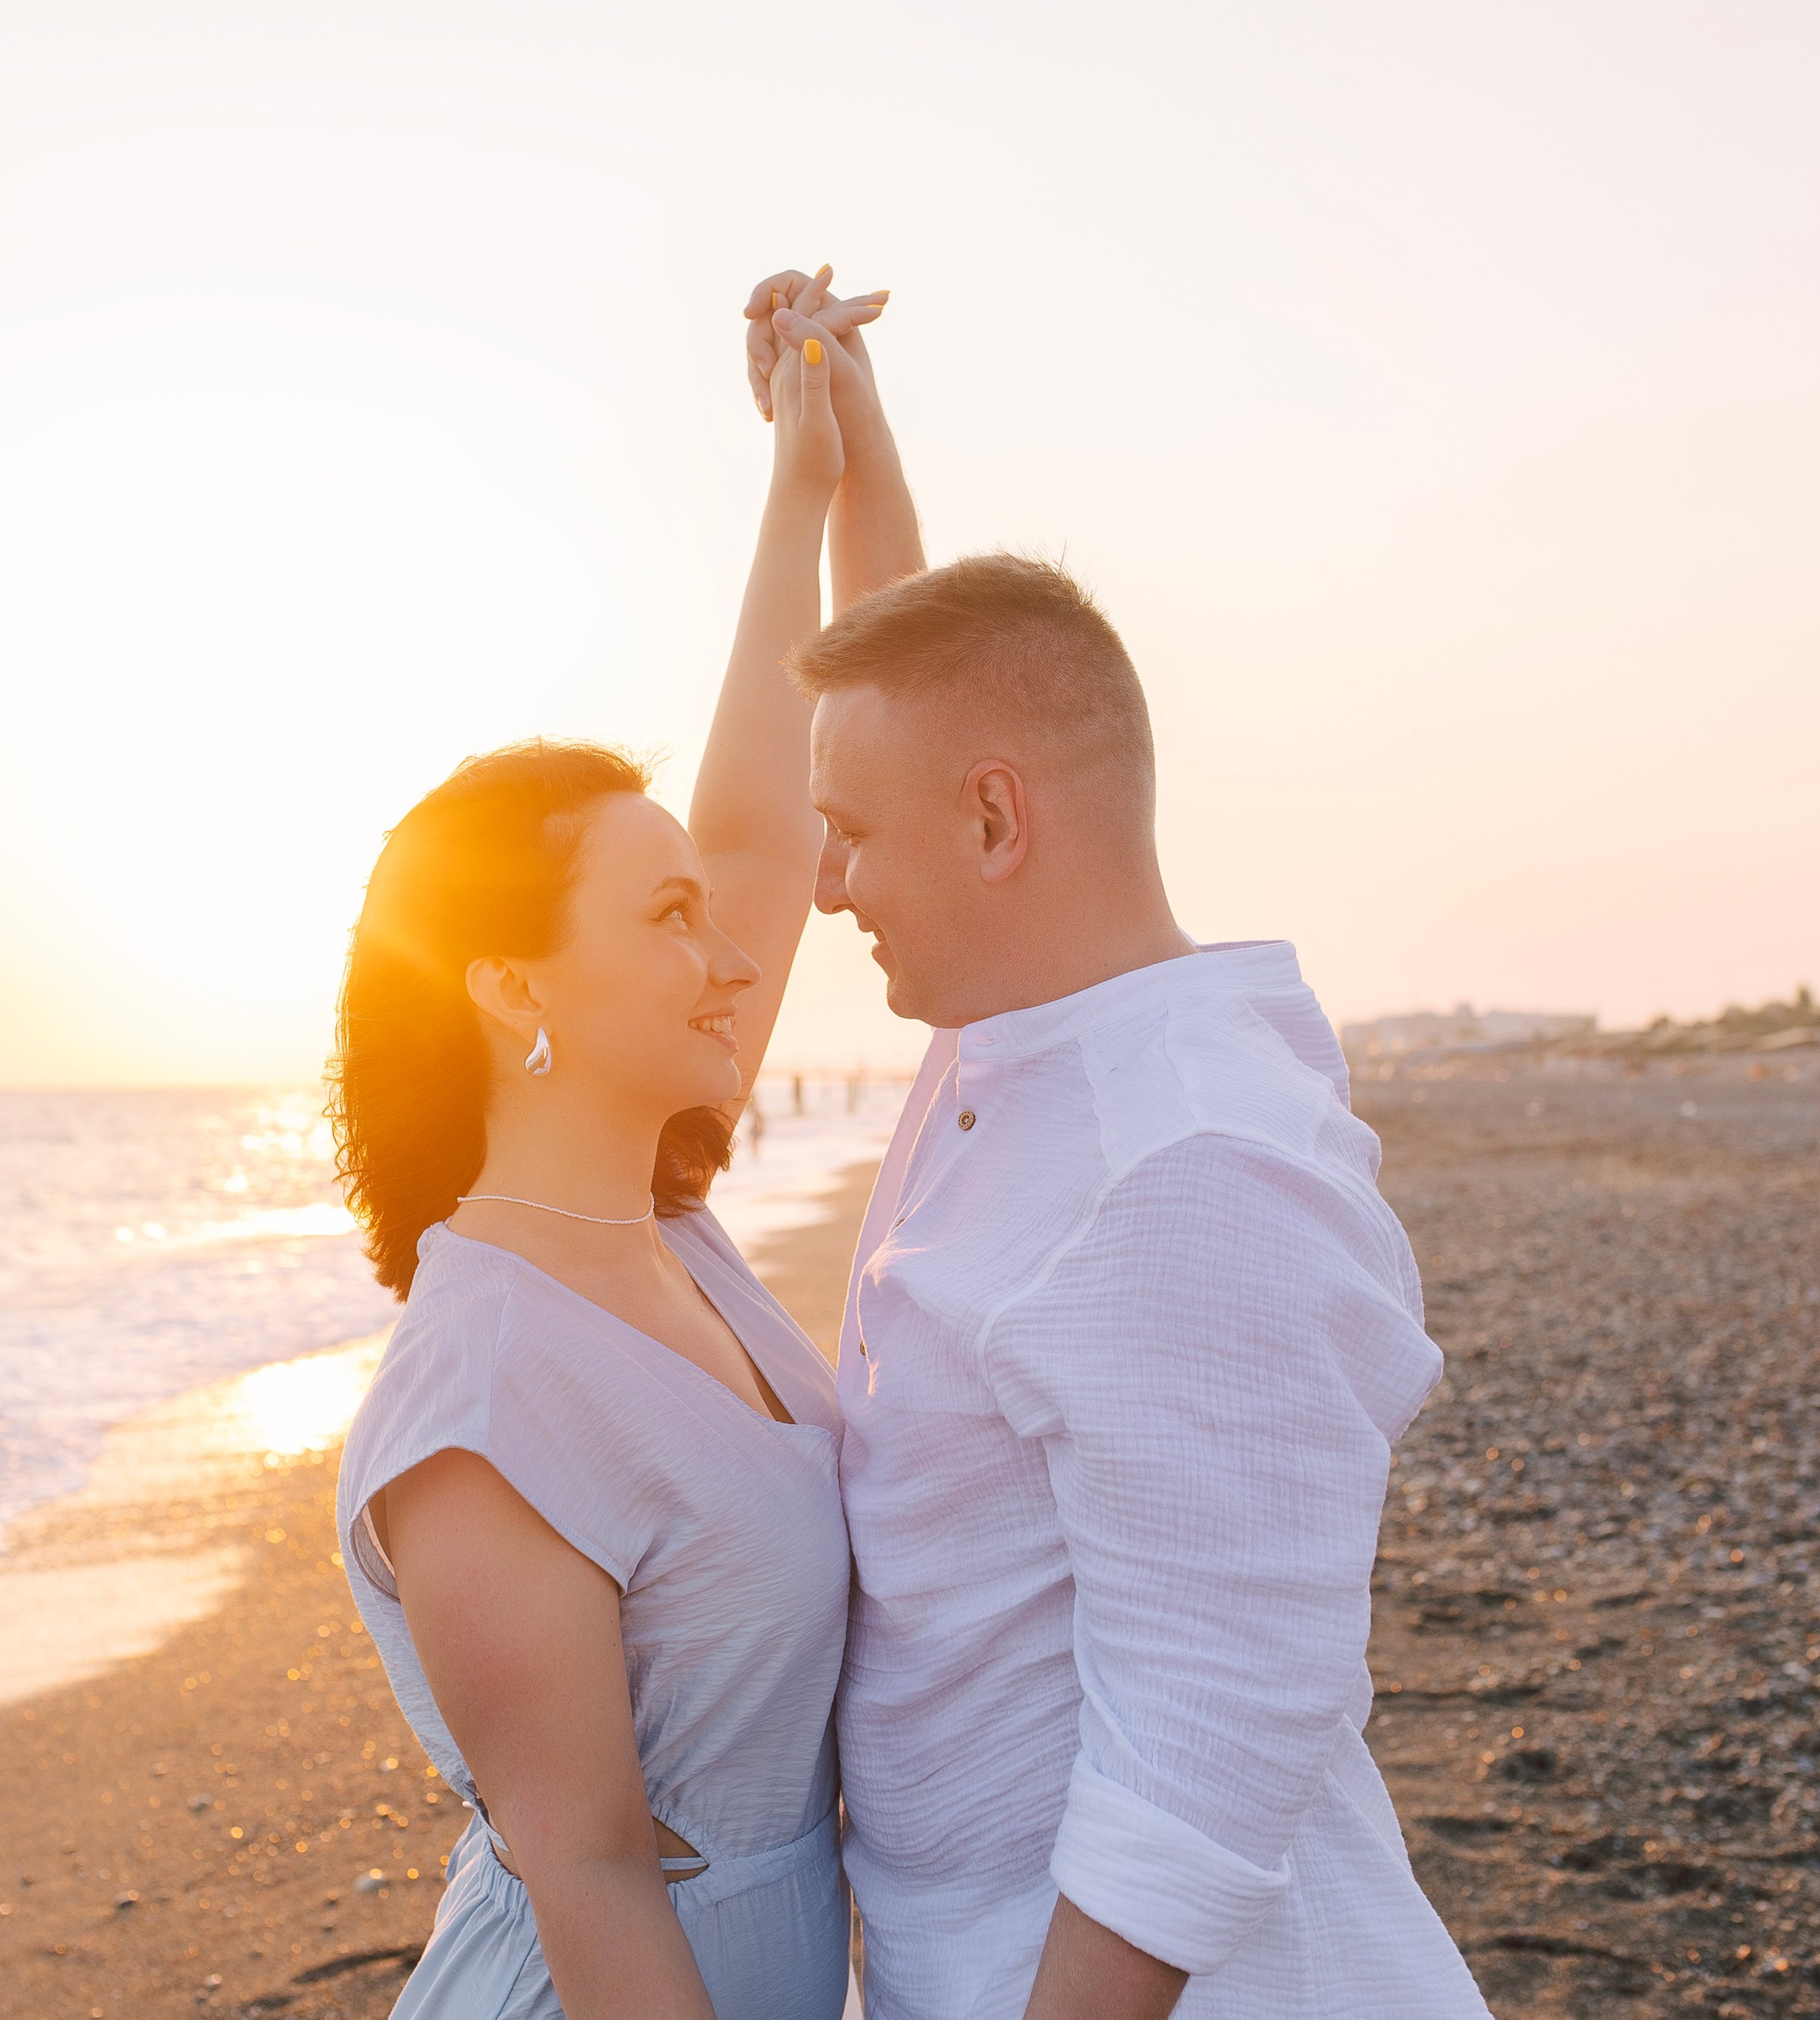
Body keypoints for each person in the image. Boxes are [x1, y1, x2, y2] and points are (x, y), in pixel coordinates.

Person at [742, 280, 1492, 2015]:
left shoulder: (1186, 1166)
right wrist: (841, 443)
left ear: (996, 820)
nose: (826, 882)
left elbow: (1203, 1756)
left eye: (846, 837)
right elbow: (925, 707)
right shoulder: (1022, 1036)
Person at [329, 267, 912, 2019]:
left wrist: (809, 475)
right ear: (512, 979)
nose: (732, 947)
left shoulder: (671, 1234)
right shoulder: (481, 1392)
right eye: (666, 915)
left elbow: (754, 811)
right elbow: (584, 1866)